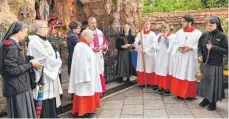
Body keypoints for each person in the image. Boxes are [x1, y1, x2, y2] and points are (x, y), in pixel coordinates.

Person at [1, 21, 42, 118]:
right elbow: (12, 70)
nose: (26, 34)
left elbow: (15, 63)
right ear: (18, 31)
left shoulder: (12, 44)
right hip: (17, 87)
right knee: (22, 114)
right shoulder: (11, 46)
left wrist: (28, 60)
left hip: (19, 85)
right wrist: (31, 64)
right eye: (25, 32)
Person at [27, 20, 63, 118]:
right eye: (46, 27)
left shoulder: (44, 40)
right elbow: (44, 58)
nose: (48, 29)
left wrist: (56, 56)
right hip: (42, 75)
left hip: (50, 74)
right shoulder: (34, 42)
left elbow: (50, 55)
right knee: (44, 98)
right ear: (38, 29)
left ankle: (53, 115)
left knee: (51, 96)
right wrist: (58, 61)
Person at [68, 29, 102, 118]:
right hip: (84, 77)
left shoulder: (84, 45)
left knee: (88, 92)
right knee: (83, 93)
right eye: (92, 36)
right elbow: (82, 64)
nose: (93, 37)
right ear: (86, 36)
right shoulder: (81, 46)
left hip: (89, 75)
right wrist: (85, 77)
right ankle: (83, 112)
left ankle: (89, 110)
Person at [198, 16, 228, 111]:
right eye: (207, 25)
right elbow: (199, 47)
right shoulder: (204, 35)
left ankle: (213, 102)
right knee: (205, 82)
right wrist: (200, 55)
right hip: (205, 63)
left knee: (213, 84)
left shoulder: (222, 36)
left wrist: (214, 47)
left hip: (216, 64)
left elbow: (226, 50)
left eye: (211, 25)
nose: (208, 27)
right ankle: (206, 99)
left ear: (217, 24)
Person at [170, 14, 202, 99]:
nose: (181, 23)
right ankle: (179, 93)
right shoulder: (179, 32)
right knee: (180, 73)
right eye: (181, 21)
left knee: (189, 74)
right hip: (181, 57)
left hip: (190, 58)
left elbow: (201, 46)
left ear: (189, 22)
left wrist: (191, 48)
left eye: (183, 21)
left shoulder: (198, 33)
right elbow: (174, 43)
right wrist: (179, 48)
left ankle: (189, 94)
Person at [86, 17, 108, 95]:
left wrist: (105, 47)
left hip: (99, 56)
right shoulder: (86, 33)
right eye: (92, 23)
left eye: (95, 23)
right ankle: (94, 92)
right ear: (88, 23)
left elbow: (105, 42)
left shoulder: (99, 32)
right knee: (93, 73)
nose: (94, 25)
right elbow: (84, 45)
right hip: (91, 57)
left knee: (100, 71)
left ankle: (100, 91)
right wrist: (92, 49)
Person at [134, 20, 157, 88]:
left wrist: (146, 51)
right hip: (141, 54)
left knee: (149, 68)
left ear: (150, 25)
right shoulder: (140, 34)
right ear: (143, 25)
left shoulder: (152, 34)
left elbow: (154, 45)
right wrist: (138, 42)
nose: (146, 25)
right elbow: (135, 43)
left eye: (148, 24)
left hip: (149, 55)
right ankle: (142, 82)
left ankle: (150, 82)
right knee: (142, 67)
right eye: (145, 24)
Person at [154, 23, 176, 95]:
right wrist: (159, 38)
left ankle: (168, 88)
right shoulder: (159, 35)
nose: (164, 32)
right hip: (160, 57)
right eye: (163, 30)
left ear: (169, 29)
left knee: (167, 71)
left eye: (166, 30)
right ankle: (162, 86)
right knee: (161, 70)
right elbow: (155, 45)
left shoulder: (172, 36)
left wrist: (166, 38)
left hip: (168, 57)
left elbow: (170, 46)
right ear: (161, 30)